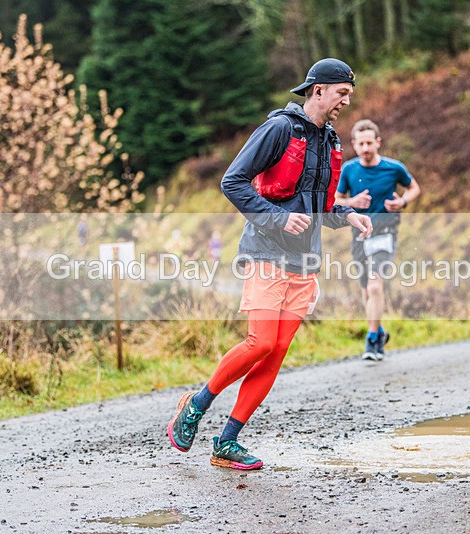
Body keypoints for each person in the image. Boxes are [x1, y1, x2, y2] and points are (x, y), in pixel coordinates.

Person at [167, 58, 372, 470]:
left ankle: (227, 443)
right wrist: (277, 217)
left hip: (304, 262)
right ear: (319, 90)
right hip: (265, 252)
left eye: (349, 94)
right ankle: (197, 404)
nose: (346, 102)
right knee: (259, 342)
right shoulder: (279, 129)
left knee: (275, 353)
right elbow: (233, 181)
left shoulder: (330, 141)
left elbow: (319, 204)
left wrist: (346, 213)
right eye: (342, 93)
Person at [334, 119, 421, 361]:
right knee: (365, 292)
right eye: (361, 143)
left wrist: (402, 201)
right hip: (360, 234)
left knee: (375, 285)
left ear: (378, 142)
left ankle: (372, 342)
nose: (365, 148)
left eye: (369, 143)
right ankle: (379, 331)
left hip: (385, 232)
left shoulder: (394, 168)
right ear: (354, 144)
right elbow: (335, 199)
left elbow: (414, 188)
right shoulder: (349, 170)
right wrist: (352, 203)